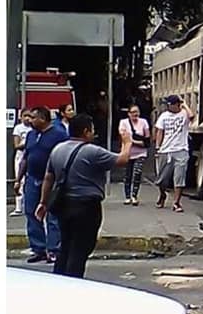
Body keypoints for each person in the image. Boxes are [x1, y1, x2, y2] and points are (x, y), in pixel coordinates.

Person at [36, 114, 133, 279]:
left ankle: (59, 280)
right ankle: (73, 282)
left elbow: (48, 177)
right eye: (92, 130)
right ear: (86, 131)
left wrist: (43, 203)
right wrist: (127, 142)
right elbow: (122, 160)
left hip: (63, 205)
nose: (93, 134)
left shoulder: (58, 149)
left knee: (65, 245)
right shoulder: (92, 151)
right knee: (80, 249)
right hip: (86, 207)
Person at [13, 107, 67, 263]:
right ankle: (38, 248)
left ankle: (54, 249)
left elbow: (64, 155)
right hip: (32, 178)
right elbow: (25, 158)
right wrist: (18, 179)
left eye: (33, 117)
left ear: (43, 119)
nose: (29, 120)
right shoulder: (31, 135)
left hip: (51, 180)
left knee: (52, 215)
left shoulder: (59, 135)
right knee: (31, 213)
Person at [155, 95, 194, 211]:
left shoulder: (184, 114)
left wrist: (185, 105)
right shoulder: (164, 116)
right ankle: (162, 195)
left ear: (177, 104)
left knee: (179, 177)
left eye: (171, 104)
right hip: (166, 150)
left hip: (181, 149)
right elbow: (160, 132)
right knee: (162, 179)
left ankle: (177, 202)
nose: (168, 106)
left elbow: (192, 116)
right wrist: (158, 147)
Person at [119, 104, 151, 205]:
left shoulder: (144, 122)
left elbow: (147, 139)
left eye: (136, 112)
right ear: (128, 114)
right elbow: (124, 137)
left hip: (140, 153)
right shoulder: (123, 123)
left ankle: (134, 196)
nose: (135, 114)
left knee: (137, 173)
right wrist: (136, 141)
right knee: (127, 174)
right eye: (132, 112)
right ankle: (127, 196)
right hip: (127, 153)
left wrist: (133, 141)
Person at [10, 109, 33, 216]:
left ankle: (27, 204)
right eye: (25, 116)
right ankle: (18, 206)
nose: (27, 118)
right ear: (21, 117)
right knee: (20, 180)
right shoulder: (18, 128)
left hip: (31, 156)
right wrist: (27, 143)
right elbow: (17, 145)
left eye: (29, 116)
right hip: (21, 156)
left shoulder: (33, 128)